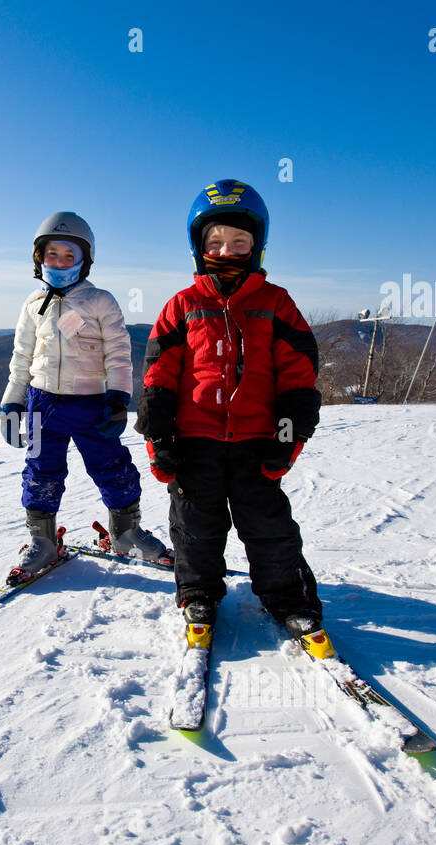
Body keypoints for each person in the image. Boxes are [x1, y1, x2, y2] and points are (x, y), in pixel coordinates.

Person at [134, 180, 323, 644]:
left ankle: (289, 599)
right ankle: (198, 591)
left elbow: (299, 374)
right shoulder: (183, 305)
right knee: (195, 524)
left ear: (257, 246)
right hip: (195, 441)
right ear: (198, 246)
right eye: (215, 241)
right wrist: (159, 437)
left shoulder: (276, 303)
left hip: (257, 439)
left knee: (268, 524)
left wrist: (288, 433)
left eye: (240, 242)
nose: (228, 250)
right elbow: (158, 376)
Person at [0, 211, 170, 584]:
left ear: (84, 259)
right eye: (51, 254)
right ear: (38, 258)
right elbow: (22, 356)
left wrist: (117, 397)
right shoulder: (32, 304)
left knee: (112, 465)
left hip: (92, 403)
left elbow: (119, 353)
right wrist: (12, 403)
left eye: (68, 255)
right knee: (41, 471)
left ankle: (125, 533)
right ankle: (41, 541)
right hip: (42, 404)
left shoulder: (99, 301)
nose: (59, 262)